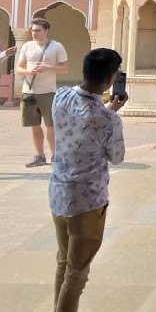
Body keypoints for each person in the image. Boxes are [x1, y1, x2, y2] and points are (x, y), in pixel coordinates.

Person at [49, 48, 127, 312]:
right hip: (87, 202)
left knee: (64, 263)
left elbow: (82, 119)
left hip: (58, 194)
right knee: (76, 274)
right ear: (109, 80)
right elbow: (116, 157)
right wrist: (113, 112)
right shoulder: (107, 119)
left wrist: (109, 109)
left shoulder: (61, 97)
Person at [16, 19, 69, 168]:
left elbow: (65, 69)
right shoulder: (27, 46)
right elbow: (19, 68)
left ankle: (55, 156)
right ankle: (39, 156)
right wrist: (28, 71)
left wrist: (48, 67)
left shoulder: (56, 47)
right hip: (29, 91)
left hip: (47, 92)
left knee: (51, 125)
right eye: (32, 30)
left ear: (46, 31)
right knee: (34, 125)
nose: (34, 33)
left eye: (37, 30)